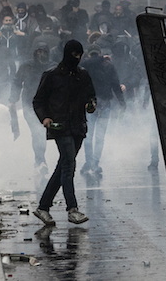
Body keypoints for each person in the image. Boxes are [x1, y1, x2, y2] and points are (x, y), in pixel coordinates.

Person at [32, 40, 96, 226]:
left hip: (78, 126)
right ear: (67, 54)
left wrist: (90, 105)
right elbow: (38, 101)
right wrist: (45, 118)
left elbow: (91, 96)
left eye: (80, 55)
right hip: (59, 126)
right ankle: (72, 209)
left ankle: (43, 207)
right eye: (75, 55)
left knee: (63, 166)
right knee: (69, 164)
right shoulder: (51, 75)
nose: (77, 59)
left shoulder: (83, 75)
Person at [8, 43, 55, 174]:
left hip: (47, 104)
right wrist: (13, 99)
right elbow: (17, 82)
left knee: (42, 132)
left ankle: (40, 160)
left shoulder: (53, 67)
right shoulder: (26, 66)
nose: (41, 55)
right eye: (38, 52)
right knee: (37, 131)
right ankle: (40, 160)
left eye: (43, 52)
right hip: (29, 103)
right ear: (34, 53)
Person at [79, 43, 126, 174]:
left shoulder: (84, 66)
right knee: (100, 136)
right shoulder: (108, 65)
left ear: (89, 54)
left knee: (88, 135)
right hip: (105, 104)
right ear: (99, 53)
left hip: (89, 104)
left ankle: (88, 162)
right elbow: (116, 85)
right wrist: (122, 102)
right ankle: (95, 163)